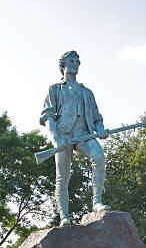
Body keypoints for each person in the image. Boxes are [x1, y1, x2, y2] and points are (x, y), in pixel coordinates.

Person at [40, 50, 111, 226]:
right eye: (71, 61)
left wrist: (101, 130)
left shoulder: (87, 92)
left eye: (77, 61)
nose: (75, 63)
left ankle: (97, 202)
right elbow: (48, 116)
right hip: (63, 135)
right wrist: (56, 138)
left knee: (99, 157)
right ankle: (64, 216)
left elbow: (96, 117)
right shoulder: (55, 89)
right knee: (62, 177)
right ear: (63, 65)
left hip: (84, 134)